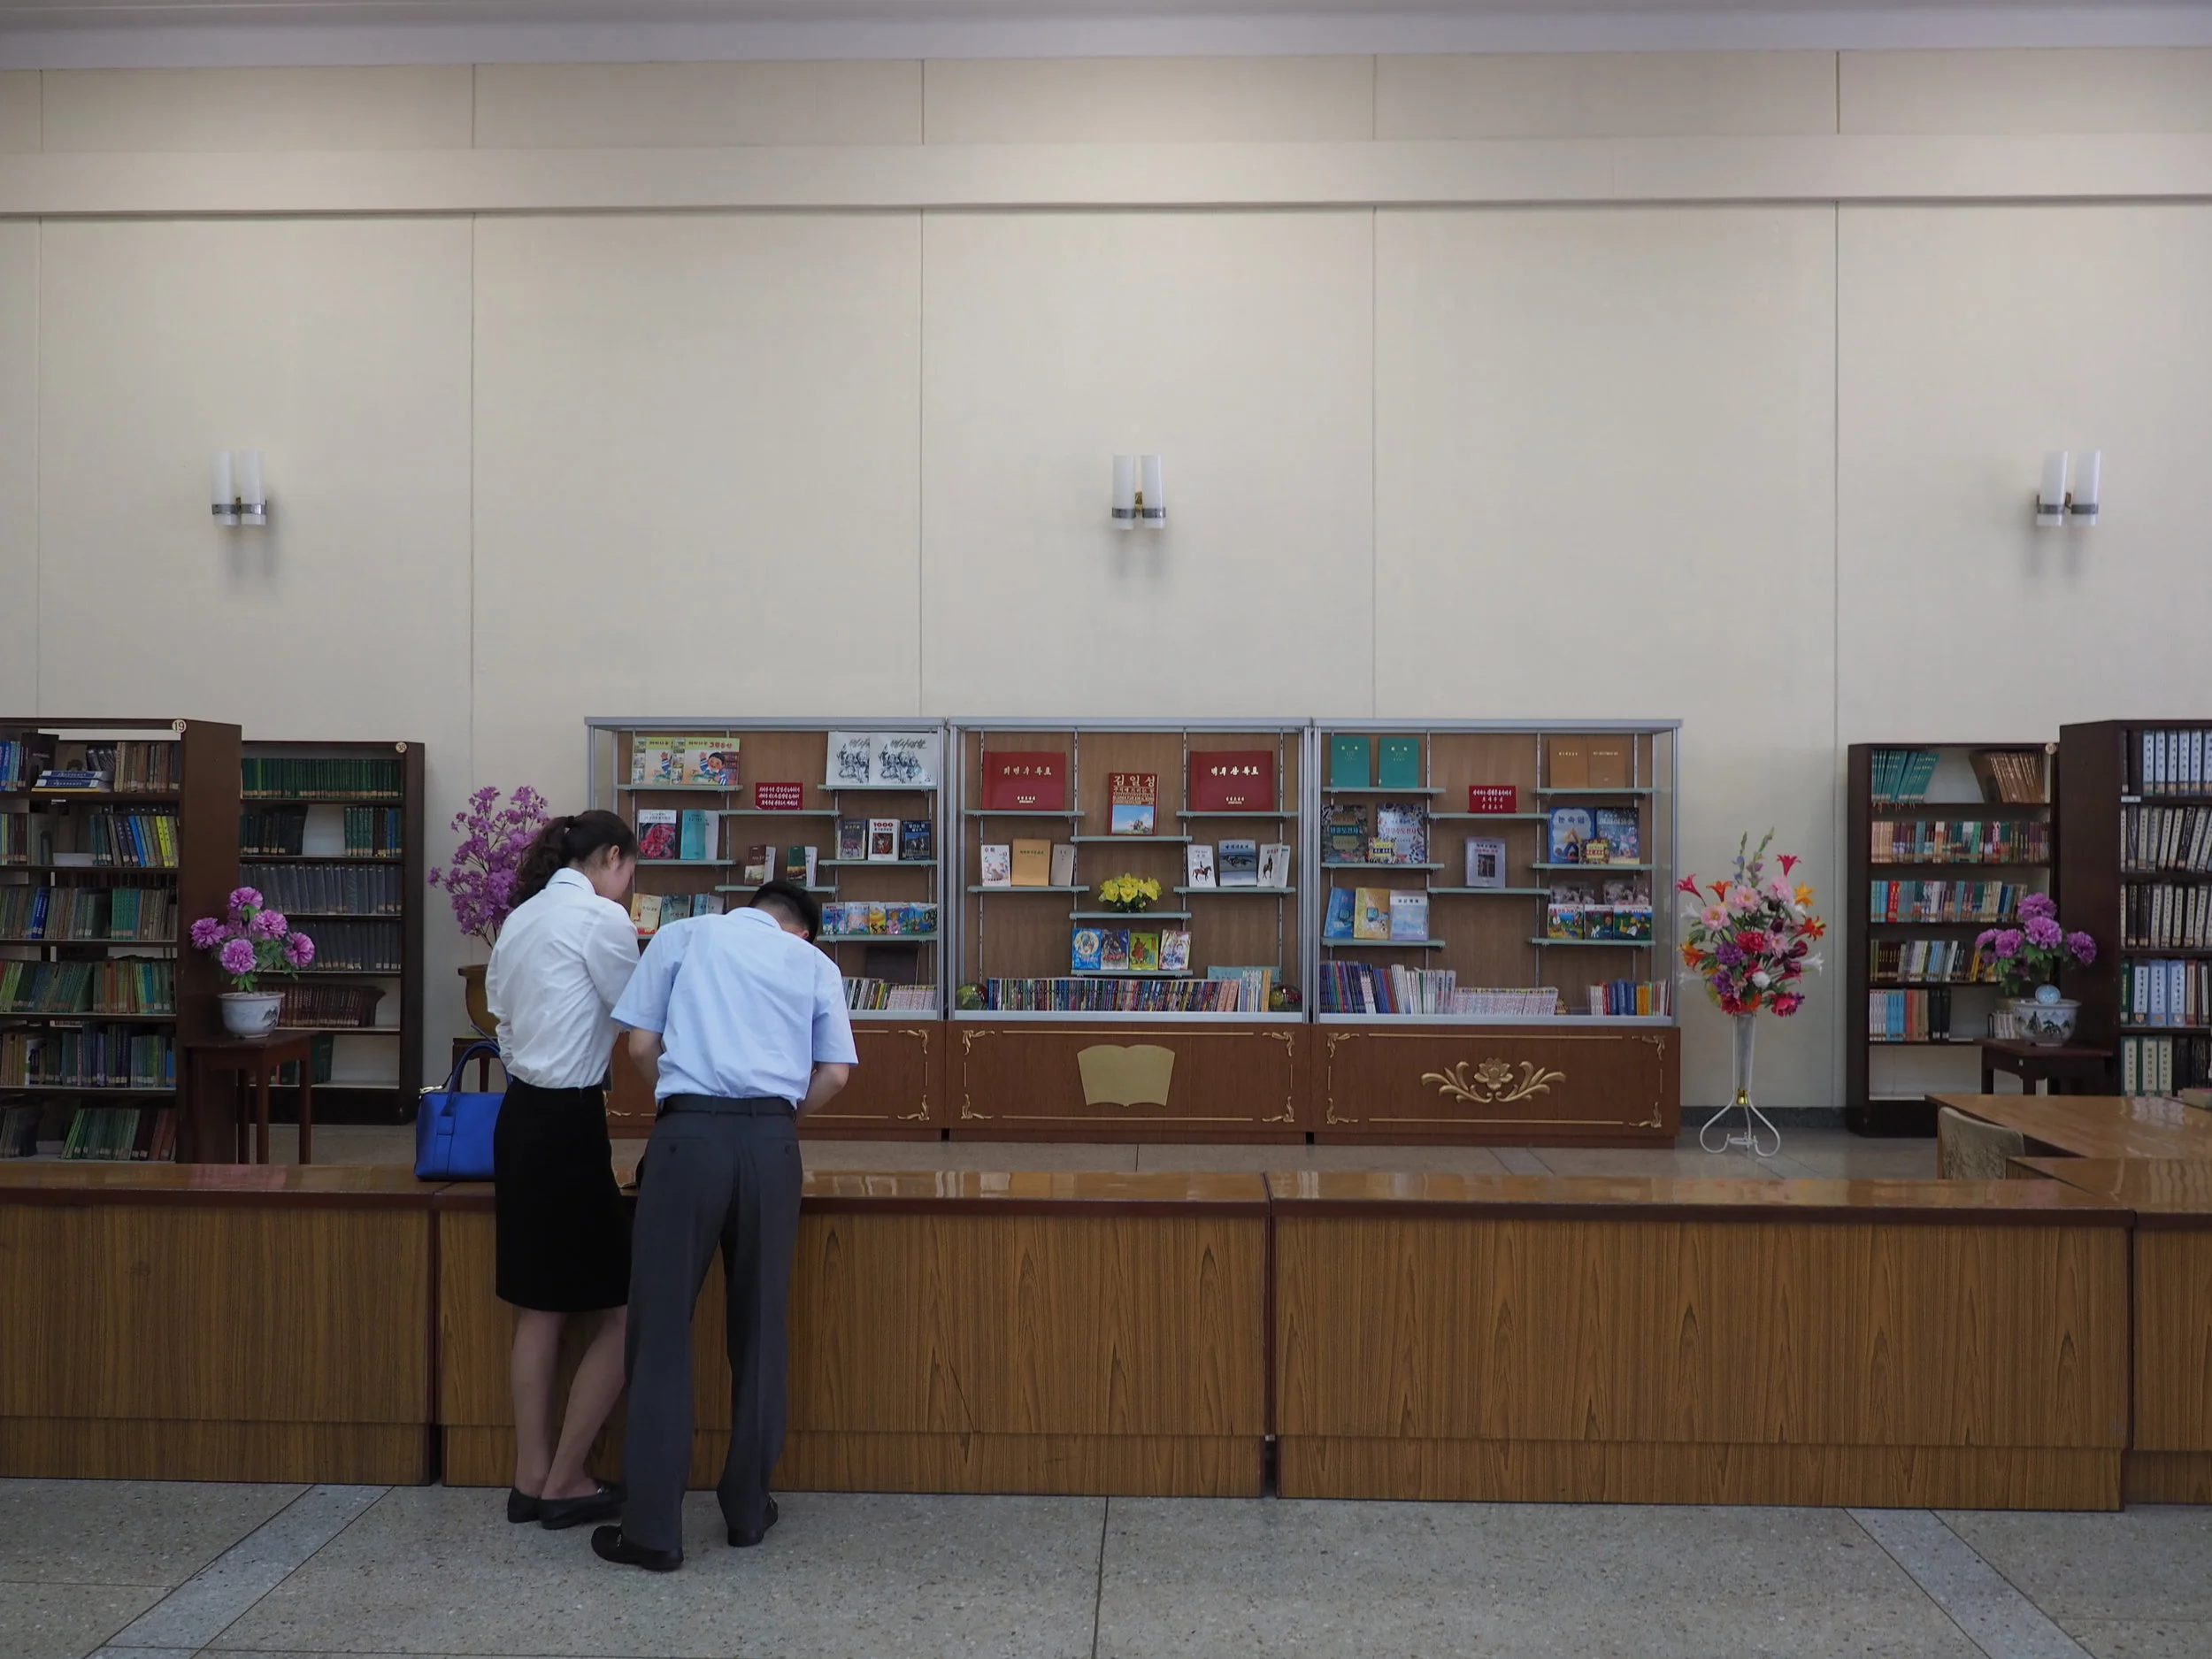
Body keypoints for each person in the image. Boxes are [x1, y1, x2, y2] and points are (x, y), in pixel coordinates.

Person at [591, 879, 856, 1572]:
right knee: (761, 1327)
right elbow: (835, 1074)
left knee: (660, 1329)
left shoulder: (681, 936)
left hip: (688, 1137)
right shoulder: (814, 963)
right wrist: (779, 1114)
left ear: (750, 908)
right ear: (803, 928)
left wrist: (689, 1096)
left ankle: (653, 1528)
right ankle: (746, 1509)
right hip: (772, 1144)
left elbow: (640, 1045)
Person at [482, 809, 640, 1532]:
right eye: (630, 870)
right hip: (571, 1120)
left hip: (519, 1114)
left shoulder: (520, 918)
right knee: (625, 1310)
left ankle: (529, 1476)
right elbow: (639, 1012)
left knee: (538, 1308)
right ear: (612, 856)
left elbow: (504, 1025)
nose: (628, 885)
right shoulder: (601, 919)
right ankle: (567, 1477)